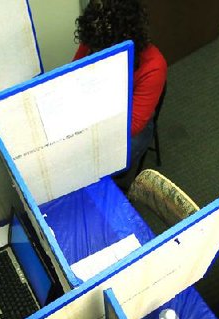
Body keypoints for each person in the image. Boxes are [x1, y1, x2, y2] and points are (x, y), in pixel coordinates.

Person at [73, 0, 167, 189]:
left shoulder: (153, 66)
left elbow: (132, 125)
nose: (95, 51)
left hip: (129, 124)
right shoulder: (96, 39)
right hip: (97, 105)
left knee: (97, 167)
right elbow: (74, 74)